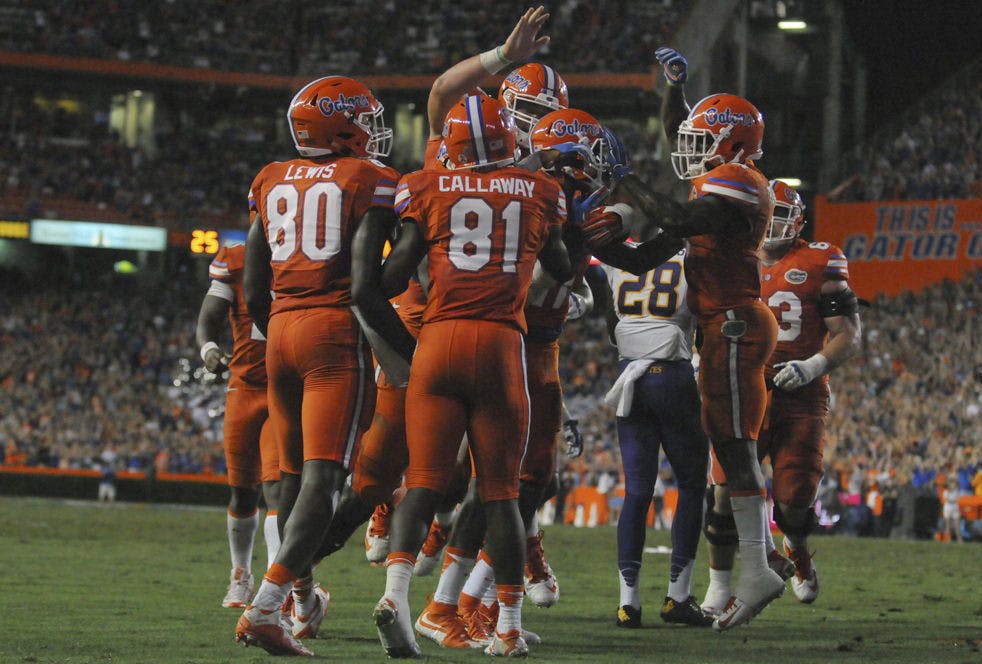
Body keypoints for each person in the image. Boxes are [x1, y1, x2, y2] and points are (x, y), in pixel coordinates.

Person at [362, 93, 573, 658]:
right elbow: (563, 269)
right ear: (511, 142)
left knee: (426, 483)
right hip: (502, 343)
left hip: (438, 341)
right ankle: (505, 625)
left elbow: (391, 278)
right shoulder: (541, 192)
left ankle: (398, 597)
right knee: (501, 492)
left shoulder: (424, 186)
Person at [611, 45, 782, 631]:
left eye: (704, 138)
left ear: (731, 146)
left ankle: (758, 567)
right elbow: (681, 141)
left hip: (734, 321)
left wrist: (624, 183)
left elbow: (678, 222)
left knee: (733, 448)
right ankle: (755, 564)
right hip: (725, 324)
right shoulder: (724, 174)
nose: (687, 146)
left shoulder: (736, 180)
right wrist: (673, 88)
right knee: (729, 447)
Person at [234, 74, 398, 657]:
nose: (375, 131)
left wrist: (280, 323)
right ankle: (265, 609)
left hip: (277, 327)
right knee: (324, 481)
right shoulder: (370, 178)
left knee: (290, 478)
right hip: (332, 329)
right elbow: (367, 282)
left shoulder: (270, 176)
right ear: (342, 124)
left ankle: (301, 596)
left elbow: (253, 284)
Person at [599, 206, 712, 629]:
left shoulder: (617, 261)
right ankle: (676, 597)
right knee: (691, 485)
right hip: (672, 376)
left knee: (637, 491)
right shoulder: (689, 262)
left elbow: (613, 323)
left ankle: (628, 603)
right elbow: (703, 316)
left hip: (630, 377)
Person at [752, 179, 861, 604]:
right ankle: (749, 568)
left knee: (795, 498)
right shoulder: (736, 257)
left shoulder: (822, 259)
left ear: (797, 220)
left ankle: (796, 551)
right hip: (747, 385)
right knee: (729, 486)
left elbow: (847, 334)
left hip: (802, 391)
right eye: (765, 216)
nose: (770, 226)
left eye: (780, 215)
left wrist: (814, 365)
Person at [196, 242, 281, 609]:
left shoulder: (307, 253)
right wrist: (209, 348)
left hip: (287, 386)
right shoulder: (234, 259)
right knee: (243, 492)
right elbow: (210, 317)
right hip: (244, 387)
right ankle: (241, 574)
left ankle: (276, 585)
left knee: (278, 489)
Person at [942, 477, 962, 543]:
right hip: (948, 508)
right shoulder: (946, 492)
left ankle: (959, 539)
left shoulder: (957, 491)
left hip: (955, 508)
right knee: (948, 525)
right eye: (952, 483)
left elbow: (956, 499)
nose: (954, 485)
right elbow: (948, 500)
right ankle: (948, 539)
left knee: (957, 525)